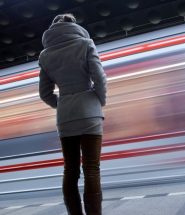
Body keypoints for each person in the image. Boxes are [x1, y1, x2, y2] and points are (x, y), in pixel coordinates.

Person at [38, 13, 107, 215]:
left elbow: (45, 93)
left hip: (65, 116)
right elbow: (100, 78)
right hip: (89, 112)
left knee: (70, 170)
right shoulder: (85, 44)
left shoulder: (45, 55)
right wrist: (98, 100)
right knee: (92, 169)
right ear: (74, 26)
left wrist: (63, 103)